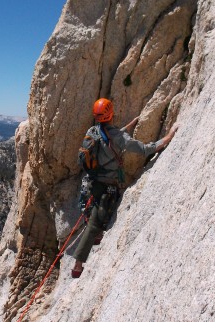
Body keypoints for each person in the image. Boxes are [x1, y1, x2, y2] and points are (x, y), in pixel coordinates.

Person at [71, 98, 177, 278]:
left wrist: (131, 124)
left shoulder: (93, 131)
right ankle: (78, 265)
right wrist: (168, 137)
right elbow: (144, 149)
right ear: (111, 113)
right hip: (106, 185)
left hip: (90, 181)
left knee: (89, 211)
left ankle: (96, 238)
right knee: (94, 223)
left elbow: (110, 138)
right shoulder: (119, 138)